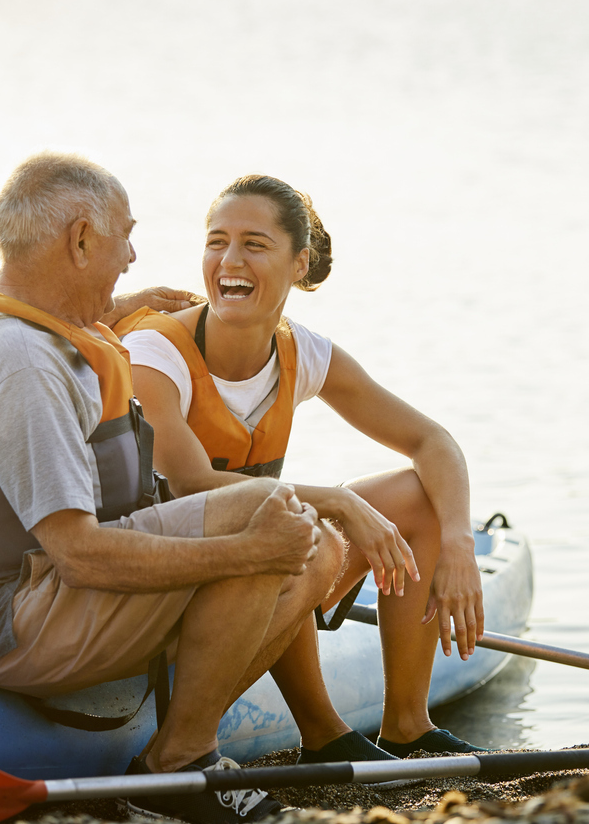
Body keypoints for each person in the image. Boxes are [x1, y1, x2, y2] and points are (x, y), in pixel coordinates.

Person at [0, 153, 343, 824]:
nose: (131, 256)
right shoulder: (17, 365)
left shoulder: (6, 306)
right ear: (79, 241)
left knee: (313, 543)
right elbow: (80, 556)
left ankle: (179, 730)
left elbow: (38, 308)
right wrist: (247, 555)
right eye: (124, 237)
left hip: (38, 591)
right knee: (266, 521)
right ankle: (176, 767)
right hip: (6, 623)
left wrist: (114, 307)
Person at [118, 174, 487, 762]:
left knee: (417, 498)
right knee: (299, 534)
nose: (229, 260)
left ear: (299, 263)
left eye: (254, 244)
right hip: (163, 590)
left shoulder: (302, 351)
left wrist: (458, 544)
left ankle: (407, 726)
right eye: (216, 242)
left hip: (257, 565)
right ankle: (322, 732)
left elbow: (432, 441)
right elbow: (191, 483)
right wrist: (339, 502)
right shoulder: (155, 353)